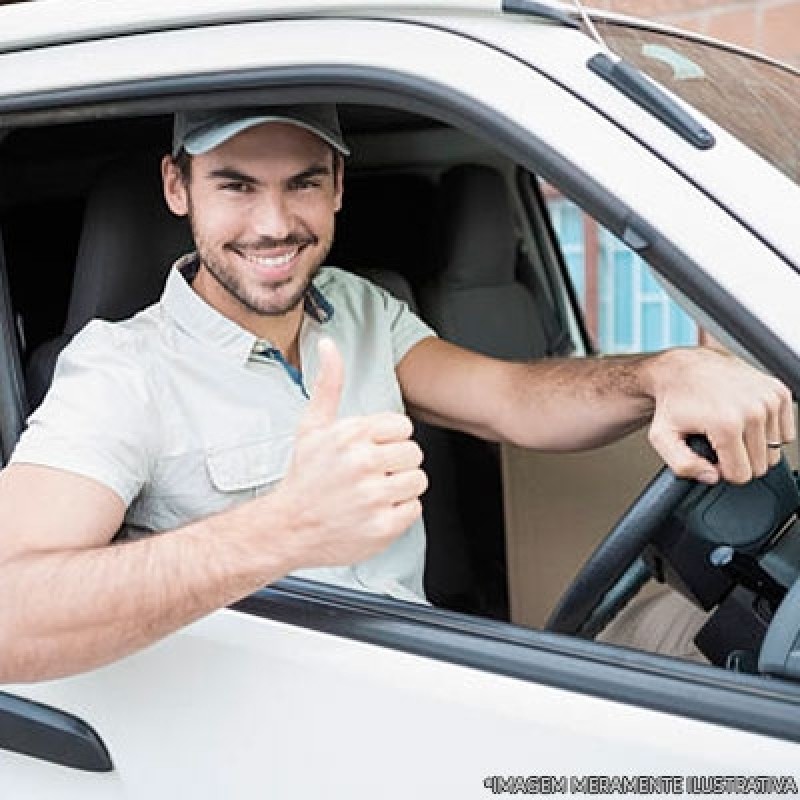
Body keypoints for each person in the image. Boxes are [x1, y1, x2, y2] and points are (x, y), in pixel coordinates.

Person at [0, 104, 793, 682]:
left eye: (303, 183)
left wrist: (662, 373)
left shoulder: (357, 305)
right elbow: (11, 614)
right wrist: (280, 530)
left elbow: (514, 399)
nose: (274, 224)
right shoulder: (120, 370)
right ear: (178, 187)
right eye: (236, 186)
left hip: (427, 669)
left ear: (339, 184)